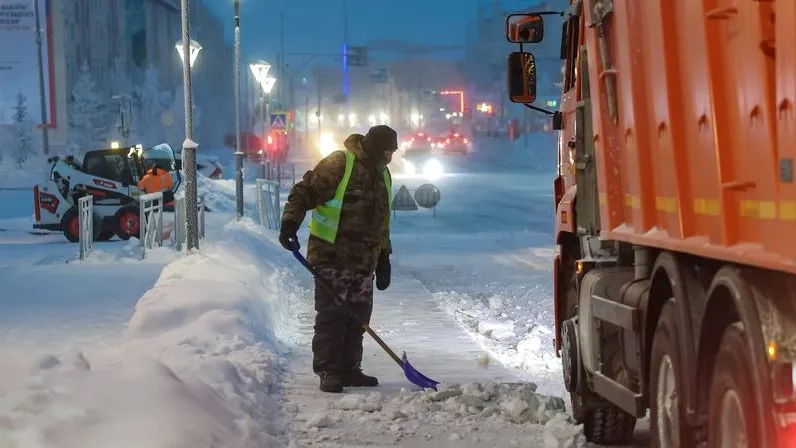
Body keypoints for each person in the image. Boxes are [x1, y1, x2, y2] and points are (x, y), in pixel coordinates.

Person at [279, 125, 397, 393]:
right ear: (372, 147)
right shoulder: (340, 163)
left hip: (364, 262)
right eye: (386, 152)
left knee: (358, 318)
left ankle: (349, 369)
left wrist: (384, 257)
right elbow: (304, 192)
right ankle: (329, 371)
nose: (389, 158)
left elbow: (383, 222)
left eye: (392, 153)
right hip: (332, 256)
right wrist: (290, 223)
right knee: (332, 316)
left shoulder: (384, 175)